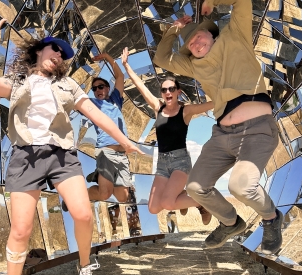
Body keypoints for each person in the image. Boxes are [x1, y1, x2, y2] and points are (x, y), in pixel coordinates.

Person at [0, 16, 143, 275]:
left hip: (62, 156)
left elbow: (99, 116)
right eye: (55, 48)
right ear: (39, 50)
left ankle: (84, 264)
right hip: (26, 156)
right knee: (20, 230)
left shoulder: (67, 84)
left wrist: (125, 141)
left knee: (82, 214)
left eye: (63, 53)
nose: (59, 55)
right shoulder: (19, 81)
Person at [153, 0, 283, 255]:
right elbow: (160, 57)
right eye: (190, 45)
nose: (196, 44)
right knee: (195, 187)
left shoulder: (236, 35)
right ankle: (231, 222)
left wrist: (212, 2)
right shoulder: (193, 65)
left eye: (199, 37)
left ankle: (271, 218)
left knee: (241, 186)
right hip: (222, 135)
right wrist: (174, 29)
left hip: (256, 131)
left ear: (211, 34)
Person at [121, 47, 213, 225]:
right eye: (164, 90)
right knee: (153, 208)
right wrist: (126, 66)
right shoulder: (158, 108)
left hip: (180, 162)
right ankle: (183, 194)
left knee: (167, 203)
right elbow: (141, 87)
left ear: (178, 91)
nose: (168, 93)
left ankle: (204, 202)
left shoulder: (186, 110)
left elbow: (213, 103)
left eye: (172, 89)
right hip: (163, 164)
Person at [85, 52, 133, 204]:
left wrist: (108, 57)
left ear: (107, 88)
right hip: (106, 151)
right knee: (105, 194)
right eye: (94, 89)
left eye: (101, 86)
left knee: (123, 198)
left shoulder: (115, 101)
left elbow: (120, 77)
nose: (97, 90)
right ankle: (78, 197)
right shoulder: (91, 104)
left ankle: (99, 176)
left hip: (122, 155)